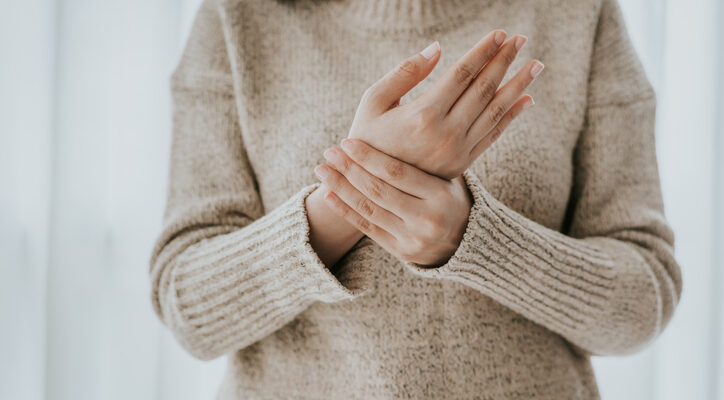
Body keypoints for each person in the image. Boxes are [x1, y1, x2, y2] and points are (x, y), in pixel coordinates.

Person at [149, 0, 683, 398]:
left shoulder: (580, 12)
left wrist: (472, 238)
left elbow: (643, 304)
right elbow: (189, 310)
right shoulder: (237, 17)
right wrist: (355, 196)